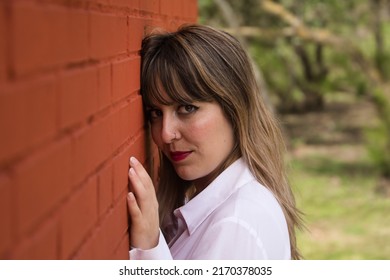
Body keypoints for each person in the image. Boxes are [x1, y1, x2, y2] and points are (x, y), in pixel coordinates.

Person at [127, 24, 302, 260]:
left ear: (234, 109)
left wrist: (148, 249)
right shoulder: (214, 208)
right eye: (155, 113)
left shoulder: (237, 225)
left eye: (187, 108)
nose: (166, 134)